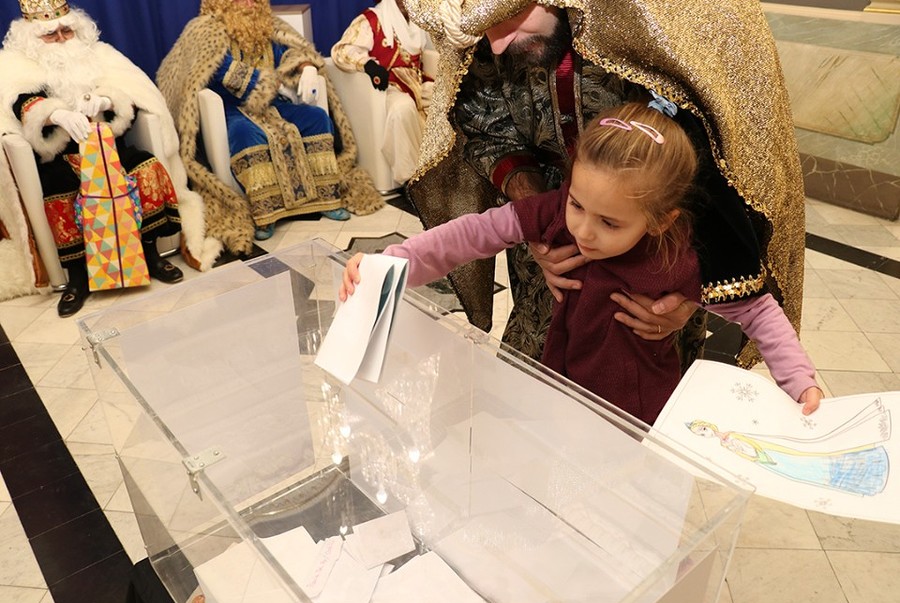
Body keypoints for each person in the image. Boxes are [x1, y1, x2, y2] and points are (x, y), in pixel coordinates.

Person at [341, 104, 822, 424]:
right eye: (576, 203)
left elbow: (758, 311)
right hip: (558, 391)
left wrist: (800, 383)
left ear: (660, 220)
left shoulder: (677, 258)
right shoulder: (558, 211)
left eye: (610, 223)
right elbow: (472, 234)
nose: (583, 231)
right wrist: (390, 265)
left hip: (634, 419)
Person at [401, 0, 807, 374]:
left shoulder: (686, 14)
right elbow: (474, 203)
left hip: (657, 277)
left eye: (509, 16)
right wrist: (546, 222)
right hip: (553, 269)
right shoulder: (563, 213)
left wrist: (687, 294)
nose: (498, 45)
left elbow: (717, 154)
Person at [0, 0, 210, 317]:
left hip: (108, 144)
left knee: (147, 168)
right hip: (60, 155)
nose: (61, 38)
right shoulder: (16, 65)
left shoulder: (99, 54)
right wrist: (55, 115)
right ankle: (78, 279)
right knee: (58, 190)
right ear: (32, 37)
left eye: (66, 30)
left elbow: (132, 93)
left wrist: (108, 100)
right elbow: (20, 102)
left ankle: (150, 256)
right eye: (50, 34)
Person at [157, 0, 384, 250]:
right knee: (246, 133)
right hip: (232, 109)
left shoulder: (266, 26)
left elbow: (288, 52)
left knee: (317, 119)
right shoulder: (205, 30)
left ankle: (326, 199)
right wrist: (268, 82)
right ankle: (266, 213)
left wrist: (306, 66)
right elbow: (219, 68)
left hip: (274, 104)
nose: (250, 3)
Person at [331, 0, 434, 185]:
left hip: (417, 84)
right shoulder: (371, 20)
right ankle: (411, 180)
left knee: (448, 101)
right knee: (402, 109)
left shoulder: (418, 22)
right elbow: (342, 51)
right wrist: (368, 65)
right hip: (389, 89)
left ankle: (439, 173)